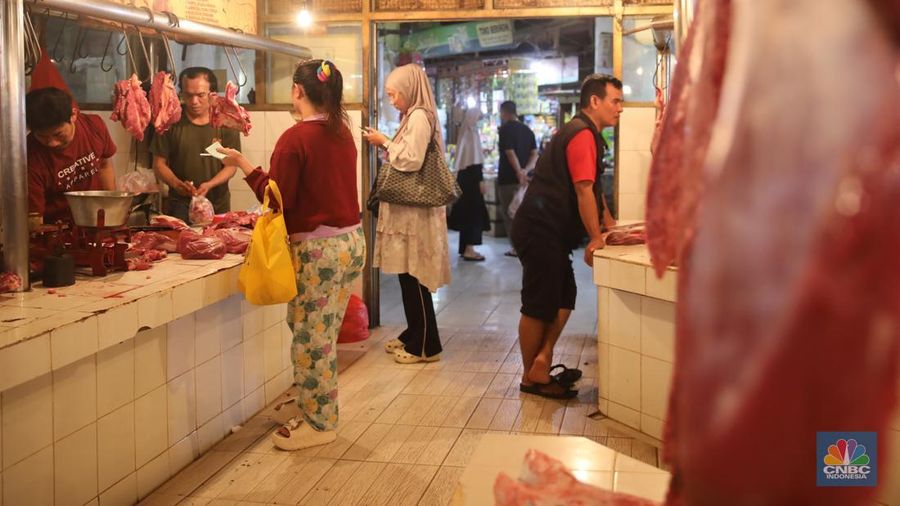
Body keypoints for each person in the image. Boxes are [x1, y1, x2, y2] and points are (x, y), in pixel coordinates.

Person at [217, 60, 365, 451]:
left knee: (310, 341)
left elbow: (277, 200)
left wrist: (243, 165)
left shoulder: (295, 138)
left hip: (318, 252)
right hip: (350, 244)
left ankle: (319, 425)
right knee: (324, 336)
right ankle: (316, 407)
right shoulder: (341, 133)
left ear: (298, 91)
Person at [511, 75, 622, 399]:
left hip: (550, 231)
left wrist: (608, 222)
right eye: (615, 101)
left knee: (563, 296)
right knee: (538, 304)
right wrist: (596, 237)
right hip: (539, 228)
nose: (620, 108)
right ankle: (532, 377)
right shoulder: (581, 134)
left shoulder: (586, 133)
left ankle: (541, 363)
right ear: (594, 102)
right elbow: (583, 189)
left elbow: (592, 185)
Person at [363, 63, 451, 364]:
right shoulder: (412, 116)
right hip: (409, 214)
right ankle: (416, 333)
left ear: (408, 90)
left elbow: (411, 159)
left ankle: (426, 345)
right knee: (407, 275)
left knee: (414, 276)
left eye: (393, 94)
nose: (392, 101)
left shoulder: (417, 116)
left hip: (415, 215)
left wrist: (384, 141)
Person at [150, 67, 241, 223]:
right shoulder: (171, 120)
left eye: (200, 95)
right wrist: (176, 184)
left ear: (212, 94)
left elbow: (231, 166)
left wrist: (210, 184)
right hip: (180, 207)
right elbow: (159, 164)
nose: (194, 102)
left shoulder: (224, 121)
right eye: (188, 95)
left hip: (217, 204)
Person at [26, 87, 117, 226]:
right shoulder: (29, 154)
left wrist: (112, 208)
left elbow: (104, 165)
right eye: (42, 136)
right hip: (57, 228)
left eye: (58, 134)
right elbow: (34, 217)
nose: (51, 143)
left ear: (73, 115)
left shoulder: (94, 125)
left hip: (95, 220)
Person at [496, 101, 538, 257]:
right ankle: (526, 244)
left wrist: (518, 171)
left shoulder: (505, 130)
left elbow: (509, 152)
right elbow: (535, 153)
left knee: (510, 214)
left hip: (508, 178)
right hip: (526, 180)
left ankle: (516, 247)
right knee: (523, 213)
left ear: (504, 113)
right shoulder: (528, 131)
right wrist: (526, 171)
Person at [448, 106, 490, 261]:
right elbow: (475, 161)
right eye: (479, 118)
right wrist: (480, 181)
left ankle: (464, 247)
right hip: (472, 181)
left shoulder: (466, 132)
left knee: (467, 214)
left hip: (465, 179)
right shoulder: (471, 134)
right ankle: (469, 249)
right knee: (473, 215)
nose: (480, 121)